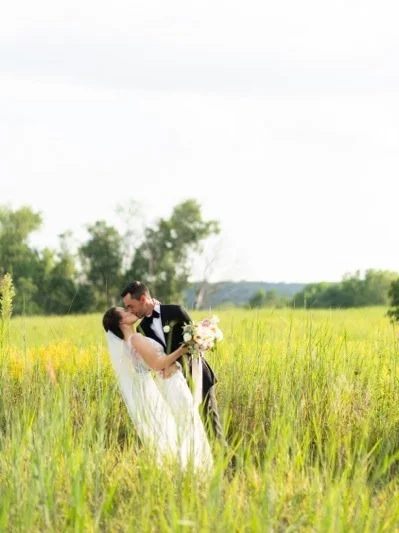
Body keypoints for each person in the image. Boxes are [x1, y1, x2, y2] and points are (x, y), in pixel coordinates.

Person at [102, 306, 213, 472]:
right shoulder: (136, 339)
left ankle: (186, 468)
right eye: (125, 312)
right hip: (171, 382)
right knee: (188, 422)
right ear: (121, 321)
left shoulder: (129, 343)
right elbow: (157, 364)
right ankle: (199, 469)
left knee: (178, 425)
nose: (129, 311)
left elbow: (148, 366)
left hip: (162, 383)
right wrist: (184, 348)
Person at [120, 281, 226, 444]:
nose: (130, 311)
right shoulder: (142, 329)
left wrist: (201, 341)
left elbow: (197, 341)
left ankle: (225, 464)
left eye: (131, 306)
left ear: (142, 299)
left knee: (212, 425)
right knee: (189, 429)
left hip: (197, 375)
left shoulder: (176, 311)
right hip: (172, 384)